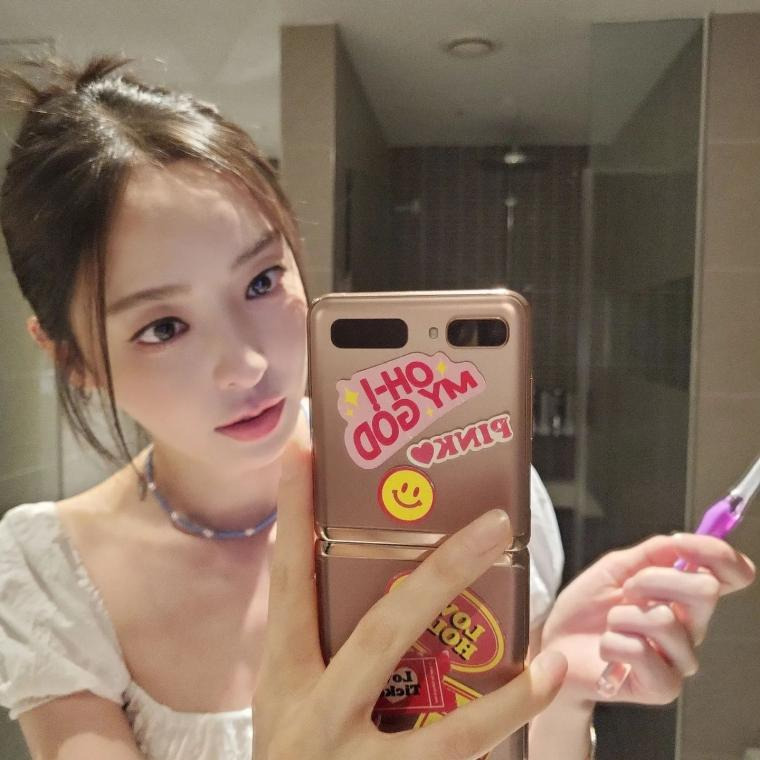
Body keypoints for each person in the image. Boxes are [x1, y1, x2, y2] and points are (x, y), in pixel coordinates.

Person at [0, 56, 753, 760]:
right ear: (72, 358)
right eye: (164, 327)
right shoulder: (53, 575)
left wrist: (560, 687)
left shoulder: (464, 490)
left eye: (261, 282)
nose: (249, 365)